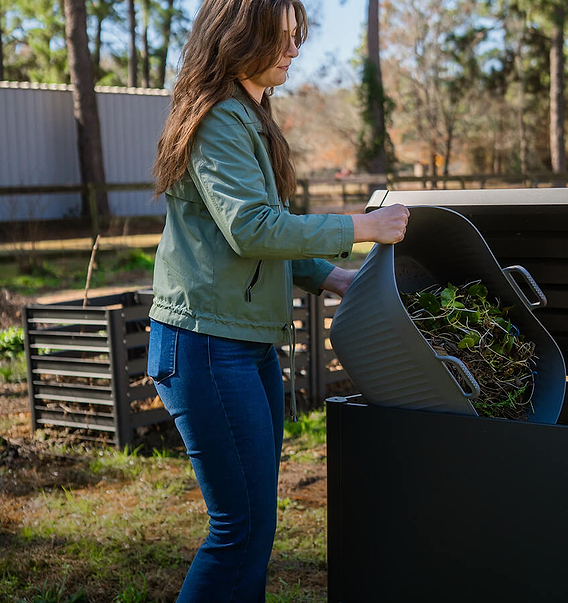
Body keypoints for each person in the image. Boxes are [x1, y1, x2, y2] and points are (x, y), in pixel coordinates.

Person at [146, 0, 408, 600]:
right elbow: (253, 228)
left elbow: (259, 234)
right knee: (239, 533)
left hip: (244, 344)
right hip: (208, 346)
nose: (295, 48)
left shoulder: (250, 116)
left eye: (297, 35)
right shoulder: (217, 119)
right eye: (282, 37)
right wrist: (360, 228)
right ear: (241, 38)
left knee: (254, 533)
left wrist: (330, 277)